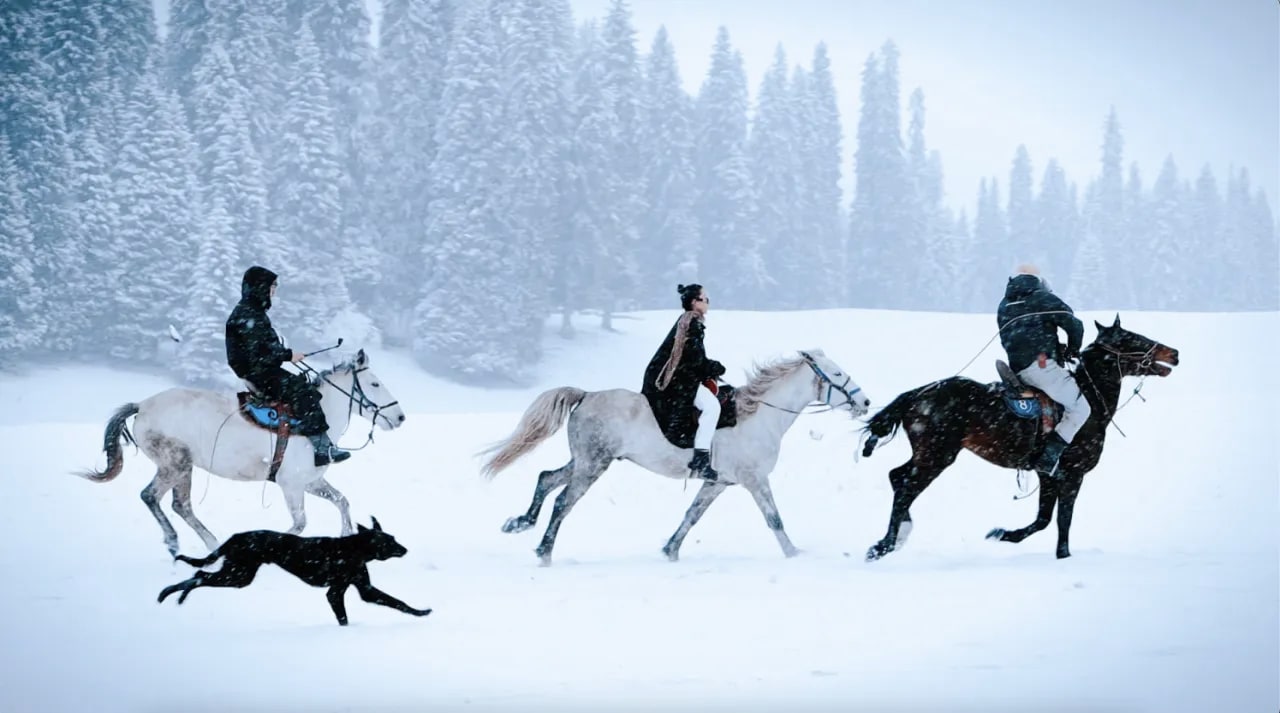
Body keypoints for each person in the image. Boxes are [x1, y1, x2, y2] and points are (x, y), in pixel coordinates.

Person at [225, 266, 350, 467]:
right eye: (271, 286)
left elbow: (263, 347)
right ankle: (321, 449)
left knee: (304, 387)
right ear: (259, 287)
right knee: (304, 392)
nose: (274, 290)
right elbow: (258, 351)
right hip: (258, 373)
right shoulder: (249, 314)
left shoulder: (252, 312)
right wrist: (288, 355)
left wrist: (284, 353)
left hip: (261, 370)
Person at [996, 264, 1090, 479]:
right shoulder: (1040, 297)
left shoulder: (1004, 303)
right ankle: (1048, 457)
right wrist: (1073, 349)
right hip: (1041, 367)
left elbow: (1015, 336)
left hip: (1018, 368)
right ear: (1039, 281)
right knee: (1081, 408)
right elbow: (1074, 323)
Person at [642, 283, 726, 481]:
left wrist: (708, 368)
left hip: (681, 377)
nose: (708, 303)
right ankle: (701, 458)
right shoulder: (691, 323)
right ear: (694, 302)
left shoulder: (688, 321)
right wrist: (713, 367)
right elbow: (693, 359)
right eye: (705, 299)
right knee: (713, 407)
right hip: (678, 381)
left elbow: (692, 357)